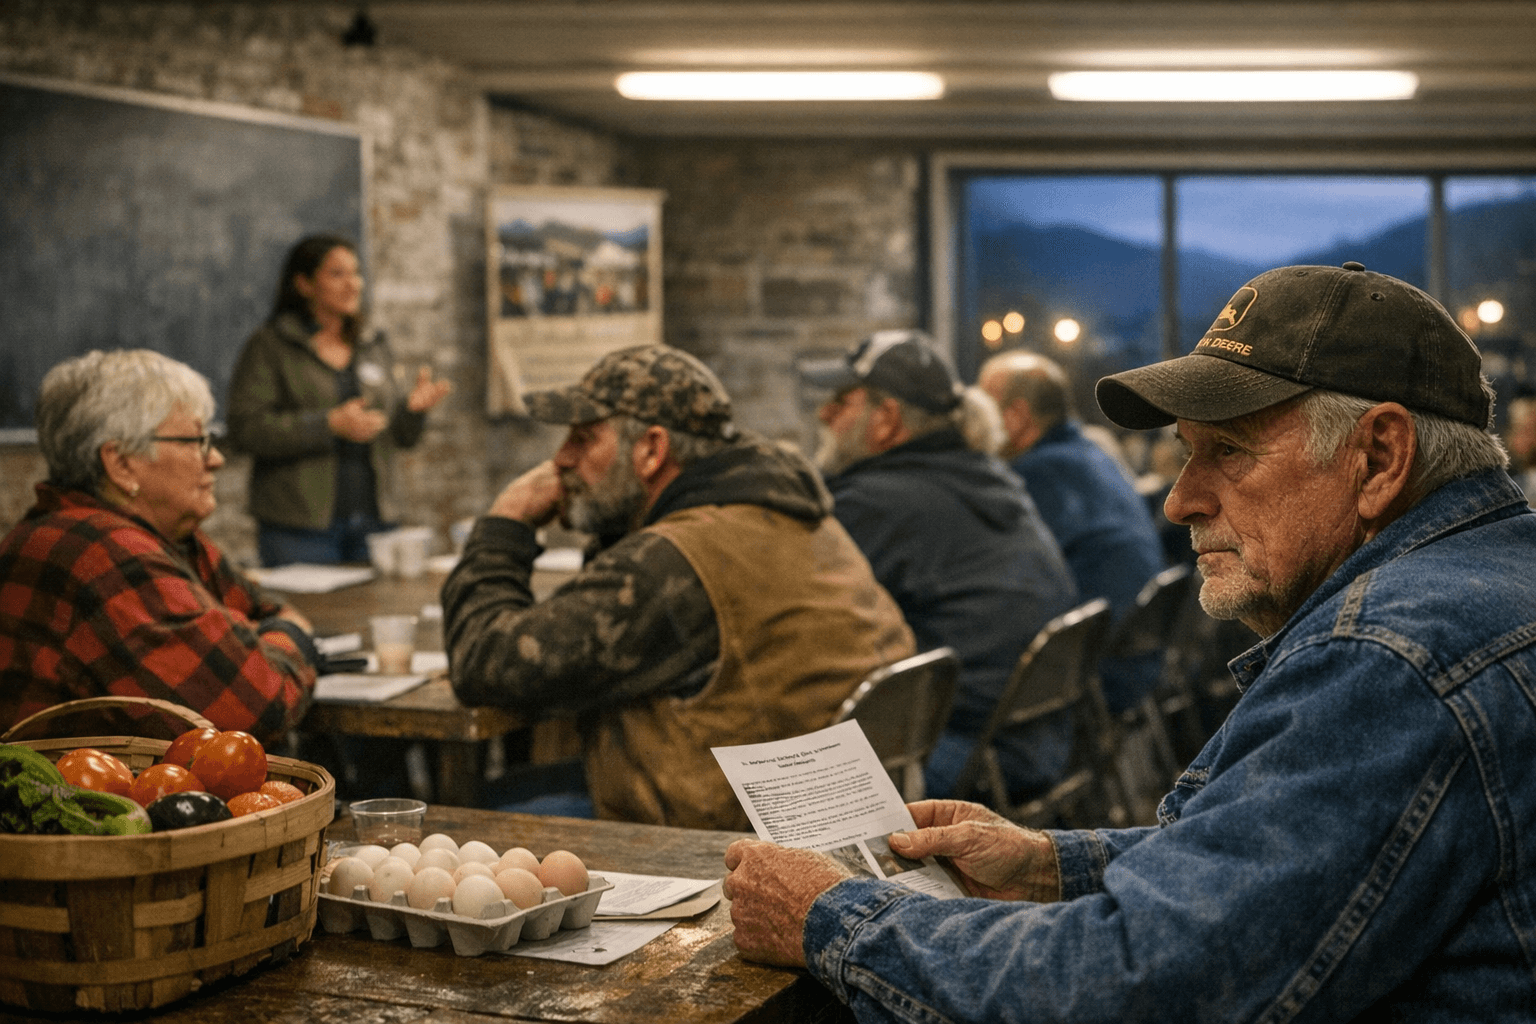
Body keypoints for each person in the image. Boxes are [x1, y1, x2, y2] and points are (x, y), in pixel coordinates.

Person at [722, 262, 1536, 1021]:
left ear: (1381, 456)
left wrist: (830, 917)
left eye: (1229, 451)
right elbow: (1301, 868)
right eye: (1187, 452)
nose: (1180, 500)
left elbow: (1138, 983)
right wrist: (1050, 867)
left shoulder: (1389, 658)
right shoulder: (1485, 578)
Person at [441, 343, 915, 830]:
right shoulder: (785, 509)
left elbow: (485, 663)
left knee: (460, 816)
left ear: (651, 449)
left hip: (722, 836)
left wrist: (506, 525)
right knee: (524, 782)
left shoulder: (673, 561)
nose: (561, 459)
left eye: (583, 438)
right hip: (825, 811)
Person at [798, 330, 1079, 801]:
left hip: (961, 755)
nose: (824, 414)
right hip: (1035, 738)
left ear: (886, 418)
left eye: (841, 401)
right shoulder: (990, 476)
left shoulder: (870, 504)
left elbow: (803, 640)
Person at [0, 350, 320, 745]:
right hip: (92, 803)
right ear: (121, 464)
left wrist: (263, 636)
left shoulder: (163, 537)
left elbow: (259, 608)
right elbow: (253, 710)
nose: (216, 459)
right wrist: (293, 637)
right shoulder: (108, 555)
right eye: (195, 441)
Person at [227, 233, 451, 567]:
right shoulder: (271, 346)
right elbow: (245, 429)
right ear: (303, 284)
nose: (353, 285)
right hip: (299, 528)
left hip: (375, 521)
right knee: (310, 617)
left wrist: (412, 413)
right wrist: (328, 425)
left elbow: (401, 438)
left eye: (356, 273)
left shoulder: (372, 343)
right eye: (337, 274)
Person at [978, 350, 1166, 712]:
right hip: (1136, 663)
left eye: (985, 409)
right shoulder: (1092, 455)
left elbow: (1007, 590)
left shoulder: (1037, 476)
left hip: (1092, 682)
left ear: (1014, 417)